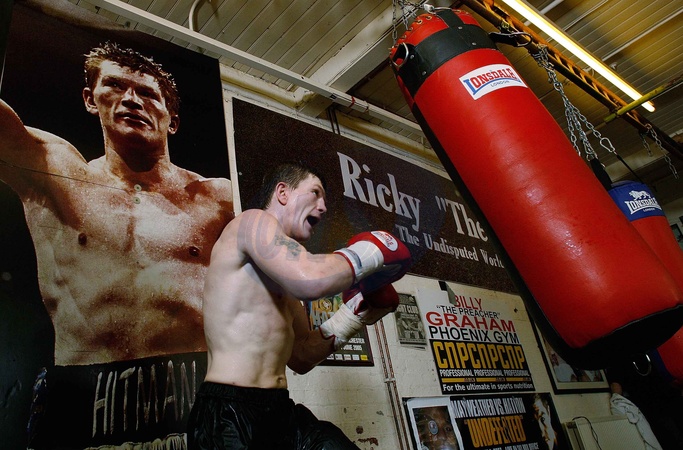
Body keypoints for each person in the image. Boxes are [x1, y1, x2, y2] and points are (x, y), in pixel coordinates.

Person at [1, 41, 234, 448]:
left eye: (147, 93)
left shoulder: (218, 199)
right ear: (90, 99)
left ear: (173, 121)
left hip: (192, 397)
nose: (131, 99)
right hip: (80, 403)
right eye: (115, 85)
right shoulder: (53, 173)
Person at [187, 162, 412, 449]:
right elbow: (310, 278)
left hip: (280, 411)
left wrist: (353, 315)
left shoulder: (285, 281)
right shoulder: (252, 222)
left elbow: (302, 357)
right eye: (315, 193)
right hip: (228, 416)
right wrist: (372, 251)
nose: (323, 207)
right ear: (282, 193)